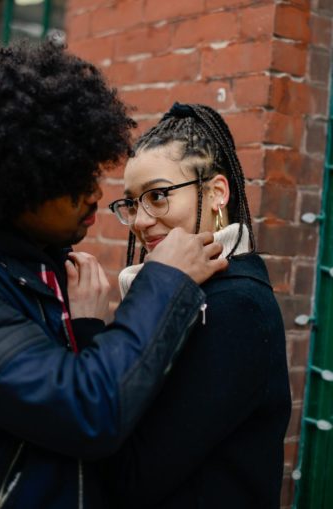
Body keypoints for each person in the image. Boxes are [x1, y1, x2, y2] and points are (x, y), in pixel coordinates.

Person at [0, 41, 229, 508]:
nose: (93, 196)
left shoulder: (48, 270)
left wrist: (85, 330)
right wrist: (164, 281)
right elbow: (88, 412)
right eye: (71, 181)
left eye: (159, 196)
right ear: (21, 186)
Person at [101, 102, 290, 507]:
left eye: (158, 195)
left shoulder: (233, 308)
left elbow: (132, 475)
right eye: (132, 203)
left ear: (217, 192)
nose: (140, 220)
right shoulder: (187, 292)